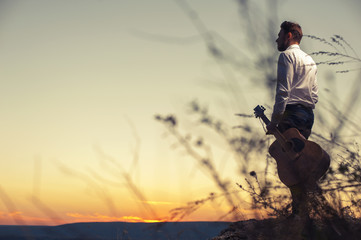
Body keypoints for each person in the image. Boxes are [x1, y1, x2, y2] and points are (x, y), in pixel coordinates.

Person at [266, 21, 319, 218]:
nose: (276, 39)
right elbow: (314, 95)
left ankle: (299, 213)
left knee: (290, 162)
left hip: (292, 113)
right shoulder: (310, 60)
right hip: (308, 114)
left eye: (279, 35)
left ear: (289, 36)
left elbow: (283, 92)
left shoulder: (286, 56)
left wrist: (275, 120)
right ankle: (301, 209)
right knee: (299, 160)